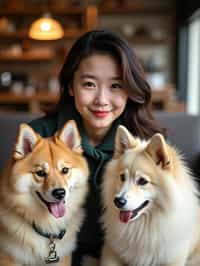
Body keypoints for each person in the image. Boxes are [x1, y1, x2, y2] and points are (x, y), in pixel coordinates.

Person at [29, 29, 166, 265]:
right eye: (89, 84)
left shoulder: (145, 144)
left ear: (130, 89)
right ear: (71, 86)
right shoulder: (39, 137)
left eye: (116, 86)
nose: (102, 100)